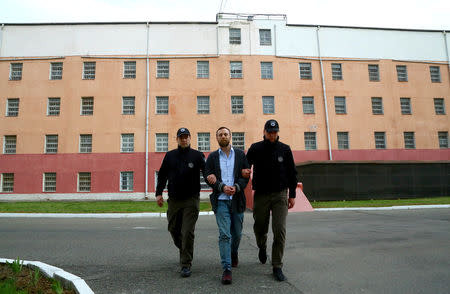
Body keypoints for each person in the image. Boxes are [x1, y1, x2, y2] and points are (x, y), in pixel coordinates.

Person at [244, 119, 298, 282]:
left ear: (277, 132)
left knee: (279, 230)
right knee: (260, 226)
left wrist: (292, 194)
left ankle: (277, 266)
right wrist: (245, 171)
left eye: (275, 132)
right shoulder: (255, 148)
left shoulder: (285, 150)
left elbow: (292, 173)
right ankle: (262, 246)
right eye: (270, 132)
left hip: (280, 194)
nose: (272, 135)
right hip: (261, 194)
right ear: (264, 132)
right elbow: (246, 165)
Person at [155, 127, 206, 278]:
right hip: (174, 200)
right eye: (181, 137)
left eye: (186, 137)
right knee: (173, 229)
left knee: (188, 232)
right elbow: (162, 175)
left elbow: (207, 172)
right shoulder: (170, 156)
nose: (184, 139)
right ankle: (184, 248)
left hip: (191, 200)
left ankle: (185, 264)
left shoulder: (197, 156)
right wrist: (158, 193)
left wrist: (216, 184)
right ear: (177, 139)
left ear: (190, 138)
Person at [205, 127, 250, 285]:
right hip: (221, 201)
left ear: (230, 136)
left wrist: (237, 187)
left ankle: (233, 252)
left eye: (225, 134)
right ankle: (227, 269)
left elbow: (245, 176)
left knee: (237, 234)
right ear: (216, 138)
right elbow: (208, 177)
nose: (223, 136)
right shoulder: (211, 157)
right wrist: (221, 186)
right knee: (225, 235)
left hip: (237, 200)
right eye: (220, 134)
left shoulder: (240, 155)